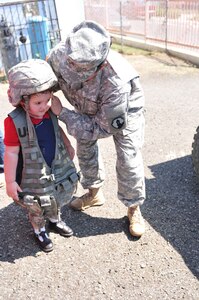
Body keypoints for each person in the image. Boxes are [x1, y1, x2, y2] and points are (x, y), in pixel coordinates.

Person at [48, 20, 146, 238]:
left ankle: (133, 208)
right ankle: (93, 193)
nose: (71, 68)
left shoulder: (116, 83)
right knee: (84, 148)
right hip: (85, 105)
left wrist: (62, 113)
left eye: (80, 67)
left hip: (121, 112)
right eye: (70, 61)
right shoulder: (59, 54)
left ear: (99, 65)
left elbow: (100, 128)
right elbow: (49, 79)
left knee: (128, 158)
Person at [4, 59, 79, 252]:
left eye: (48, 100)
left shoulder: (49, 110)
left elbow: (57, 129)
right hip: (31, 172)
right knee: (36, 204)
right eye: (38, 102)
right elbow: (11, 153)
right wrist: (11, 182)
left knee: (54, 195)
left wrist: (68, 144)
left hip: (53, 165)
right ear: (22, 100)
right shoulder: (14, 122)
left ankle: (54, 220)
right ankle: (39, 230)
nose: (45, 106)